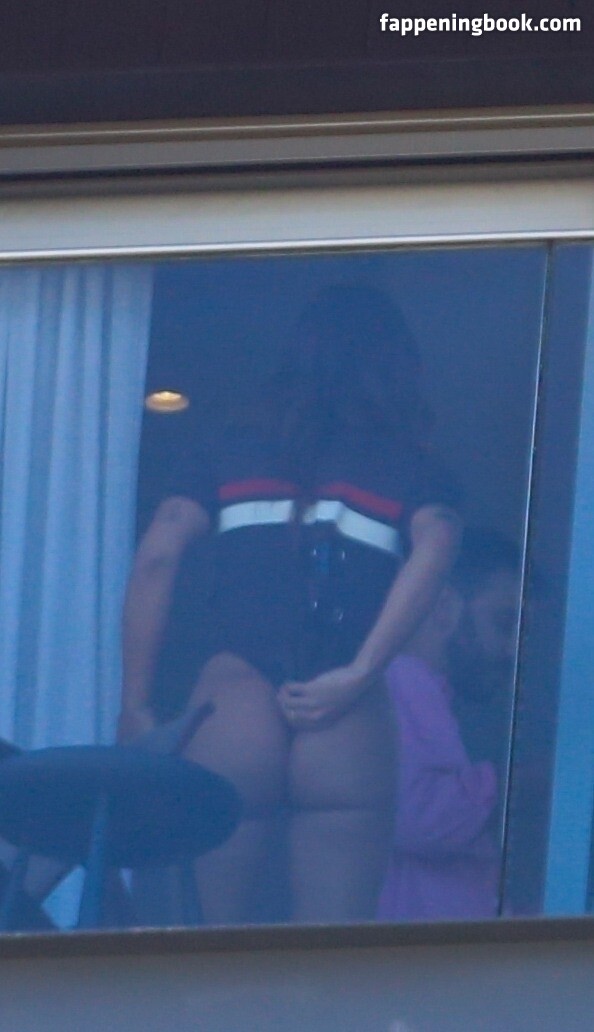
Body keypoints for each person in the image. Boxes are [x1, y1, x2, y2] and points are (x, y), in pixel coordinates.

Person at [117, 284, 461, 924]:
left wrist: (135, 704)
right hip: (342, 710)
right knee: (333, 957)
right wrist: (361, 670)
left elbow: (159, 553)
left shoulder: (228, 448)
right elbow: (438, 541)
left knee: (205, 947)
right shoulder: (410, 465)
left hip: (235, 701)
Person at [378, 528, 521, 922]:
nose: (513, 650)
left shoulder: (425, 691)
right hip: (422, 953)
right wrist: (531, 782)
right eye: (504, 623)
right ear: (443, 608)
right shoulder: (403, 680)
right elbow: (420, 820)